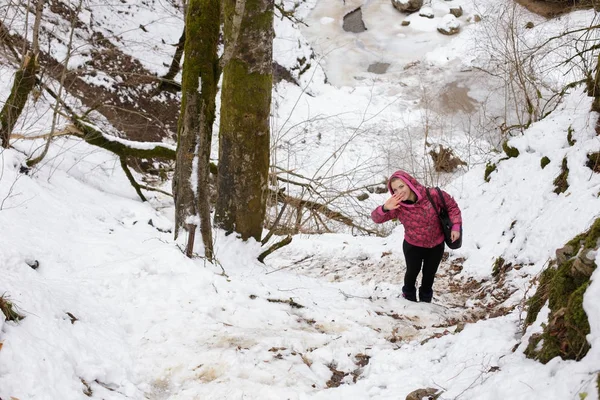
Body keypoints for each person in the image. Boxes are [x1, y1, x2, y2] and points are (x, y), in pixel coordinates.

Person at [371, 170, 462, 303]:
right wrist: (385, 208)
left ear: (410, 183)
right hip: (413, 246)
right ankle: (408, 299)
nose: (399, 192)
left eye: (401, 186)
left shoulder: (433, 195)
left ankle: (426, 302)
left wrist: (456, 226)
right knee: (411, 273)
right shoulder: (397, 206)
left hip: (436, 245)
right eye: (395, 190)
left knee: (429, 275)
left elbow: (452, 207)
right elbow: (376, 218)